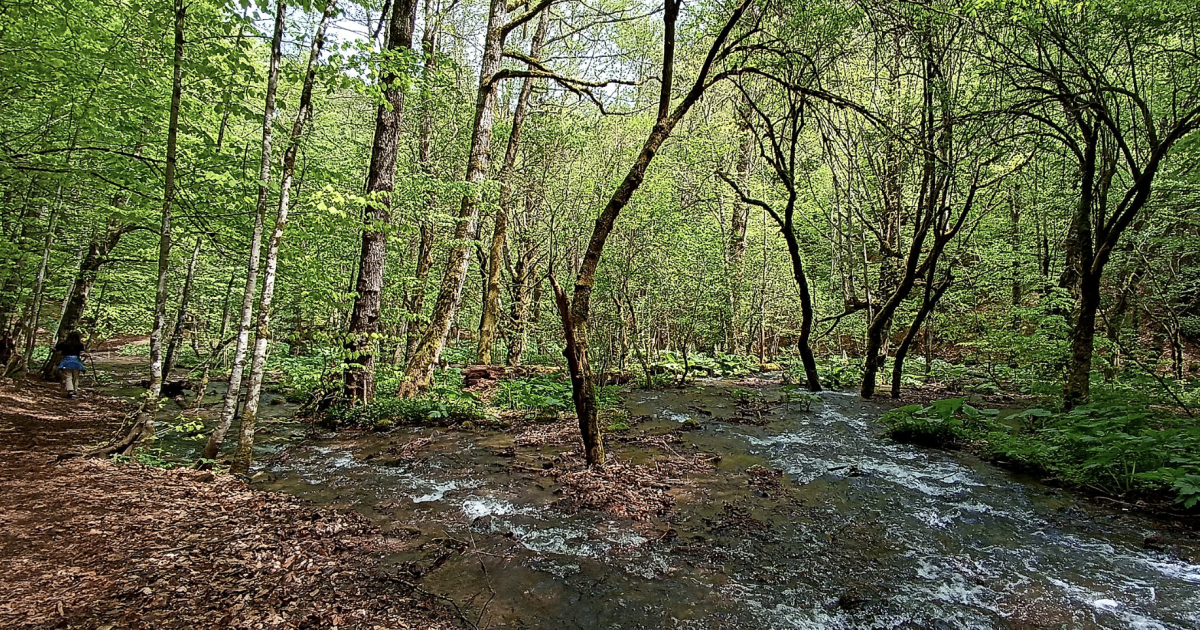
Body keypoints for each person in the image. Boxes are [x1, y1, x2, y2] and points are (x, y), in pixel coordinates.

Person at [55, 331, 87, 398]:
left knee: (68, 377)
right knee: (76, 377)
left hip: (66, 362)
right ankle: (75, 391)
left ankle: (70, 390)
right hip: (76, 362)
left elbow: (55, 349)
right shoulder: (80, 345)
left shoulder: (64, 344)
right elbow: (82, 353)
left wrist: (52, 346)